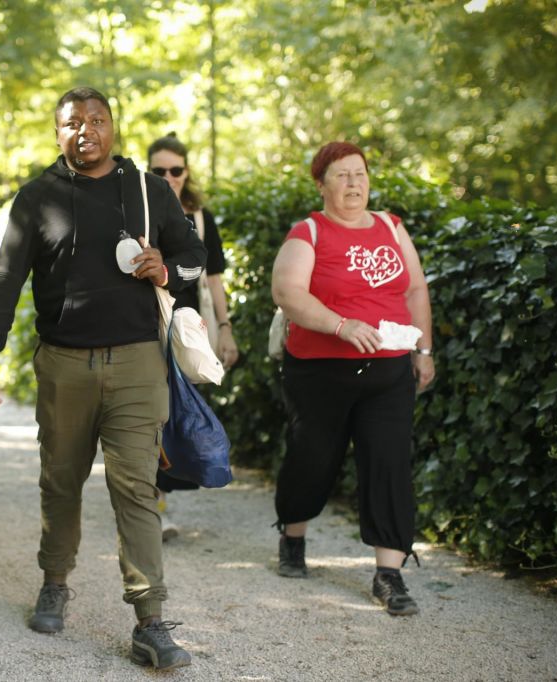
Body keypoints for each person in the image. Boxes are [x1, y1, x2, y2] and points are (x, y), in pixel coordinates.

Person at [0, 87, 206, 670]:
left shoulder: (149, 191)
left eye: (97, 121)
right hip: (64, 365)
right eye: (74, 122)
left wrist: (165, 269)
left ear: (113, 129)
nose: (86, 131)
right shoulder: (37, 198)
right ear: (58, 132)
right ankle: (54, 581)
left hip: (136, 363)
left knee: (136, 487)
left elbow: (195, 255)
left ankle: (150, 619)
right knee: (61, 480)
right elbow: (3, 284)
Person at [270, 141, 435, 616]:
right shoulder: (309, 233)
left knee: (388, 464)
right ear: (321, 185)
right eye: (341, 175)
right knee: (313, 459)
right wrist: (341, 325)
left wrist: (423, 349)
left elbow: (417, 287)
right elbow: (287, 292)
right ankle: (293, 535)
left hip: (388, 371)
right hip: (320, 371)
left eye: (359, 173)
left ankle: (389, 575)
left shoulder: (389, 226)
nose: (353, 183)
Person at [146, 132, 239, 541]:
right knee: (151, 414)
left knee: (181, 414)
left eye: (176, 170)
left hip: (190, 331)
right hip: (146, 327)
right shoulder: (138, 211)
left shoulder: (200, 218)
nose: (169, 177)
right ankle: (151, 506)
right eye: (159, 170)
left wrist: (226, 327)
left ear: (187, 172)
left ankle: (161, 495)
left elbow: (215, 277)